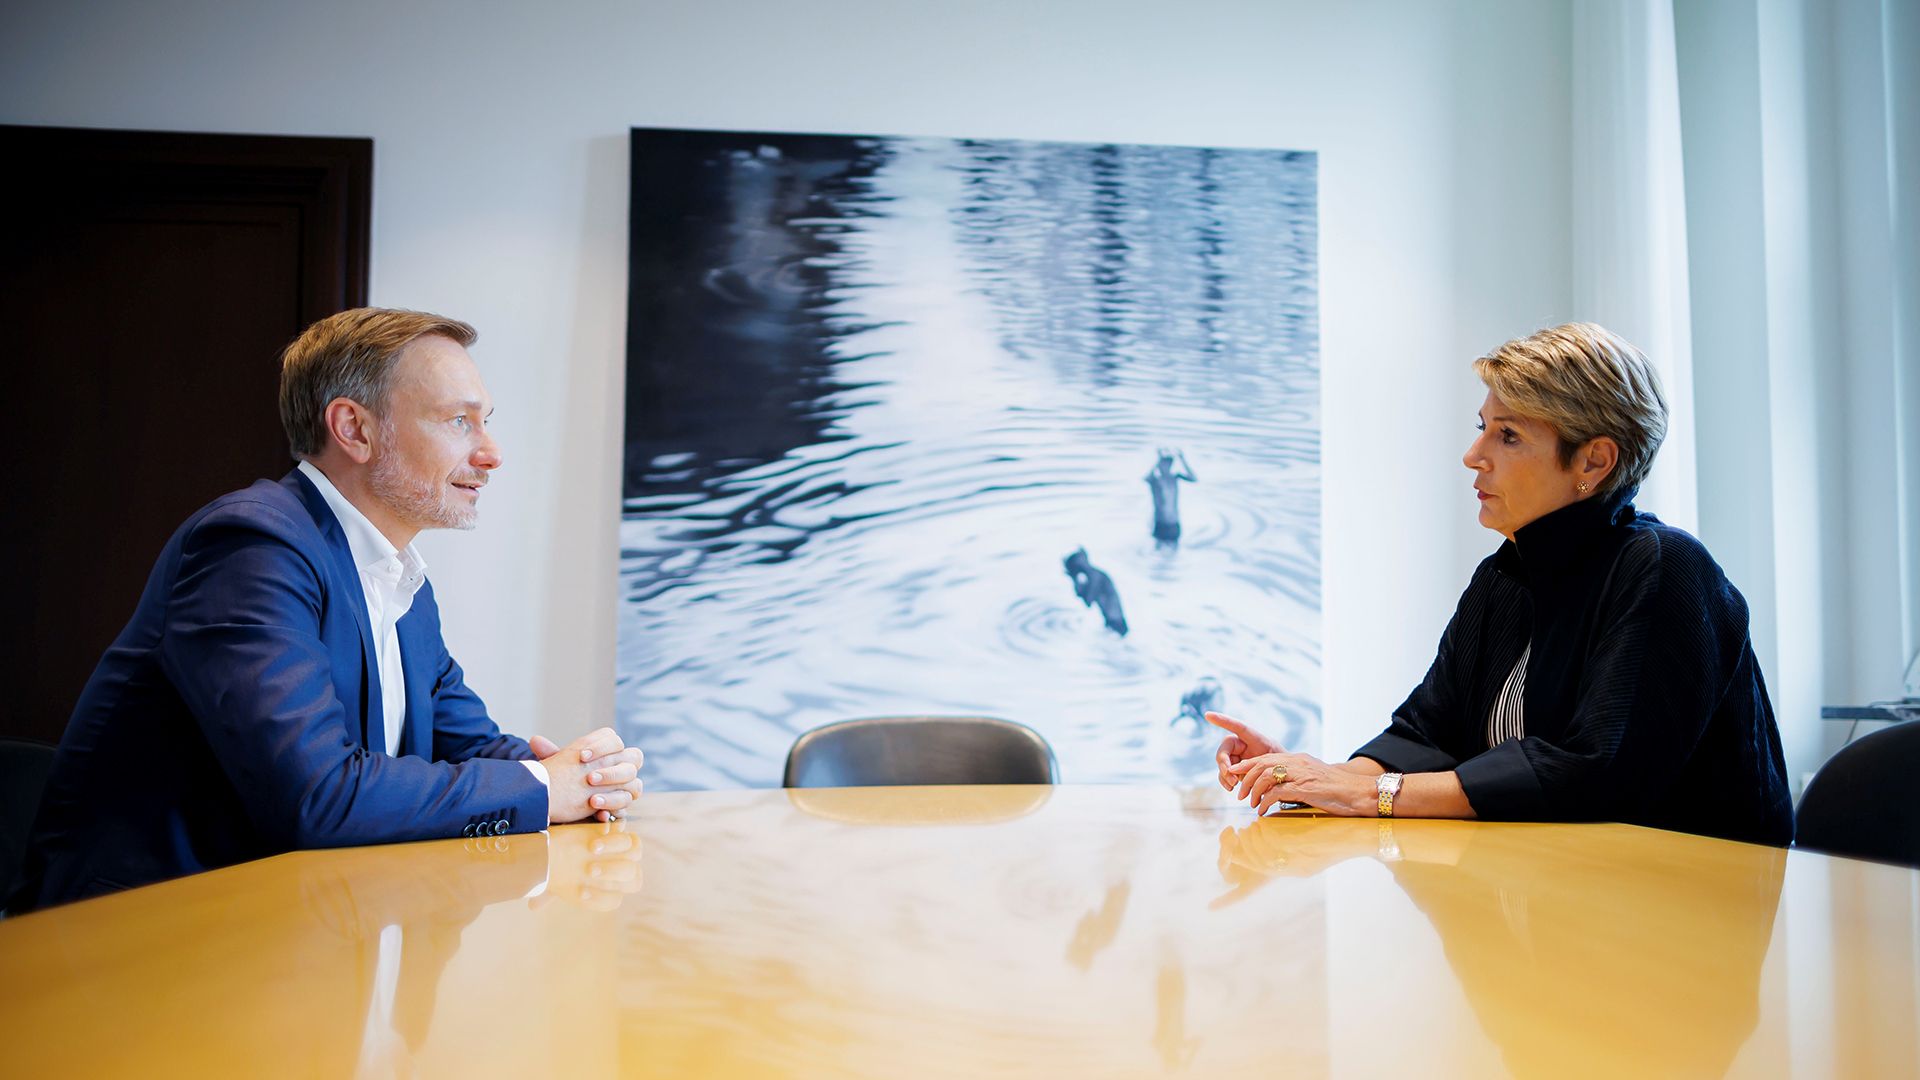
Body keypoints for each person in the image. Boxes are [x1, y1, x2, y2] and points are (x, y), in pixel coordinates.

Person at [10, 308, 644, 912]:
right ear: (354, 429)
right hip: (136, 954)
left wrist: (584, 777)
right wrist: (542, 788)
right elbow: (315, 795)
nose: (490, 452)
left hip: (295, 944)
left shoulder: (400, 579)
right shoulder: (253, 545)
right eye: (460, 421)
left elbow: (465, 748)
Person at [1209, 323, 1793, 846]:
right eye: (1483, 428)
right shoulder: (1503, 575)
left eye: (1507, 436)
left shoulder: (1667, 569)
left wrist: (1365, 795)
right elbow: (1426, 733)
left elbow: (1592, 772)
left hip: (1690, 912)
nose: (1472, 455)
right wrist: (1314, 776)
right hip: (1567, 898)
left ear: (1594, 462)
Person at [1145, 447, 1197, 546]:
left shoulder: (1175, 478)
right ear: (1160, 466)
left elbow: (1193, 478)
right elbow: (1146, 478)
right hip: (1160, 522)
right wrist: (1158, 460)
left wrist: (1182, 459)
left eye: (1168, 464)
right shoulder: (1155, 480)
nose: (1165, 467)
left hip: (1174, 522)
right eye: (1163, 464)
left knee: (1174, 550)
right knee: (1156, 550)